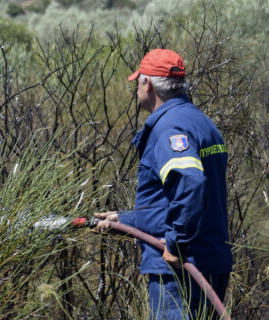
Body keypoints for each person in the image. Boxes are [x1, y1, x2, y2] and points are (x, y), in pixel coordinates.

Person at [94, 49, 232, 320]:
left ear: (148, 85)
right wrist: (124, 220)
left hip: (180, 274)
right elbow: (180, 201)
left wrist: (176, 244)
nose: (136, 89)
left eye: (138, 82)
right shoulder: (201, 122)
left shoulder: (169, 128)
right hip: (210, 263)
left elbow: (190, 183)